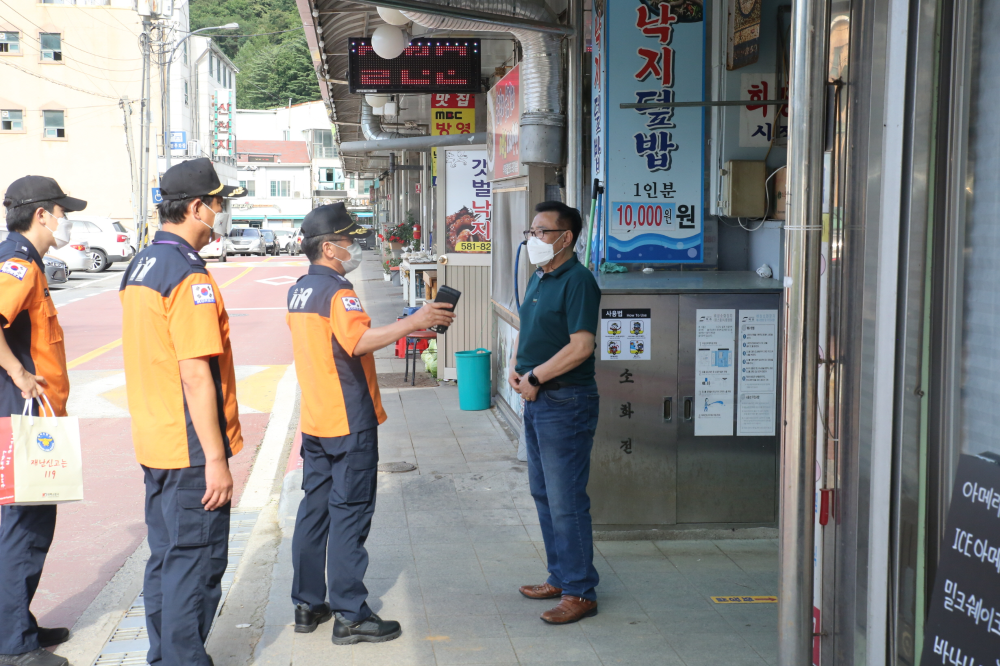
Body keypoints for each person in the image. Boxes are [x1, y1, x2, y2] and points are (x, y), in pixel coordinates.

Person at [286, 203, 455, 645]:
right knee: (350, 513)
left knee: (314, 511)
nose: (353, 247)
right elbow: (357, 340)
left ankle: (307, 604)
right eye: (347, 240)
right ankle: (350, 614)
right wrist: (413, 321)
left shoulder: (301, 289)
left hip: (317, 418)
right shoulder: (339, 293)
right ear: (328, 247)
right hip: (348, 419)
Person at [119, 158, 245, 666]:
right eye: (219, 204)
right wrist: (217, 459)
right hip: (190, 446)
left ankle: (163, 655)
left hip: (155, 438)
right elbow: (196, 373)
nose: (221, 212)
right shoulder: (190, 275)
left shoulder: (144, 263)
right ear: (197, 207)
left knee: (168, 559)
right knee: (196, 563)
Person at [0, 177, 87, 666]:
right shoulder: (17, 262)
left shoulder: (25, 260)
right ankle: (13, 646)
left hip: (30, 414)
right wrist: (19, 373)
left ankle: (18, 624)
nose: (65, 220)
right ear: (41, 215)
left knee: (29, 525)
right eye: (62, 211)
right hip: (23, 414)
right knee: (25, 529)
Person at [508, 201, 602, 625]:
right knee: (544, 493)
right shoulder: (539, 277)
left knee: (566, 500)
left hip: (566, 401)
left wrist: (537, 378)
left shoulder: (578, 280)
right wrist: (515, 366)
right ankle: (561, 576)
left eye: (542, 232)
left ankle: (581, 591)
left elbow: (581, 346)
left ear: (565, 238)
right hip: (538, 397)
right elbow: (527, 327)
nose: (533, 239)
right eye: (531, 231)